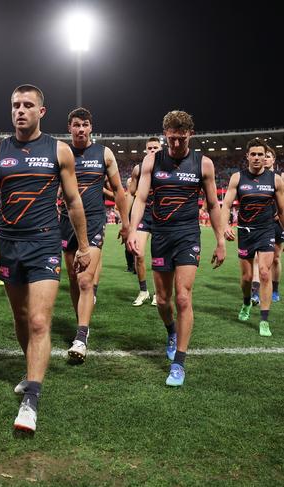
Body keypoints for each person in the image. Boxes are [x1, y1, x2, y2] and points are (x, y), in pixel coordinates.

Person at [0, 84, 90, 432]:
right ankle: (30, 368)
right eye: (15, 104)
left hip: (45, 244)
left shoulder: (59, 151)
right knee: (20, 316)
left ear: (41, 112)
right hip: (10, 245)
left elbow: (74, 202)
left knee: (39, 321)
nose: (20, 110)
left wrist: (85, 246)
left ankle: (31, 397)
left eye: (28, 105)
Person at [127, 110, 226, 387]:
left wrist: (220, 240)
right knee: (162, 299)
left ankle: (179, 363)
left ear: (190, 135)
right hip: (160, 235)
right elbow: (142, 197)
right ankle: (171, 331)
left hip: (187, 236)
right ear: (165, 135)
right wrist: (134, 230)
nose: (176, 145)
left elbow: (213, 205)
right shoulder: (152, 160)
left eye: (181, 139)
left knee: (183, 297)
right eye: (171, 139)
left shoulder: (203, 164)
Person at [59, 107, 129, 364]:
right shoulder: (61, 152)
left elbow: (119, 190)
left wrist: (126, 223)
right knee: (74, 280)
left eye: (84, 125)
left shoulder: (104, 153)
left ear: (91, 128)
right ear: (70, 128)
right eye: (76, 125)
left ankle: (81, 335)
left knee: (86, 280)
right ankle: (81, 322)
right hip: (66, 222)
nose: (80, 129)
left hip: (95, 221)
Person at [221, 139, 284, 337]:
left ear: (266, 157)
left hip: (266, 230)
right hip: (245, 232)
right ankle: (247, 302)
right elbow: (226, 204)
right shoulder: (237, 178)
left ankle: (264, 320)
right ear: (247, 156)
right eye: (253, 154)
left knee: (264, 272)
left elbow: (282, 210)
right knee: (247, 278)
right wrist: (224, 226)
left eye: (261, 154)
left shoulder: (275, 180)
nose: (257, 158)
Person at [127, 137, 162, 306]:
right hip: (144, 215)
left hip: (162, 218)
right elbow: (131, 192)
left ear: (161, 149)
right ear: (146, 150)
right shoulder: (138, 169)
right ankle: (143, 291)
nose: (153, 150)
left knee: (158, 257)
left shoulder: (168, 168)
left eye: (156, 147)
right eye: (150, 148)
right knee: (138, 254)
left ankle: (157, 293)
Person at [265, 146, 283, 302]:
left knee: (276, 258)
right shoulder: (253, 177)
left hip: (277, 223)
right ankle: (256, 290)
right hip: (262, 223)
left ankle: (275, 290)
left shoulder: (280, 178)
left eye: (268, 156)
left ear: (273, 160)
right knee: (260, 259)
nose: (264, 159)